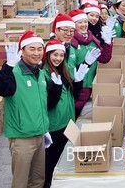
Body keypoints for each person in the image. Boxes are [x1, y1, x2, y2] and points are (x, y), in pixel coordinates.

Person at [0, 31, 49, 188]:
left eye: (39, 49)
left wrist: (45, 128)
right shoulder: (14, 72)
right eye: (31, 49)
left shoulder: (40, 73)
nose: (36, 53)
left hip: (39, 134)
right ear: (21, 51)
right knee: (21, 182)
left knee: (38, 180)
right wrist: (8, 66)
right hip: (22, 137)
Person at [43, 38, 82, 188]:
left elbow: (73, 96)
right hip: (54, 125)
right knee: (51, 161)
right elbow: (48, 104)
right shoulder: (44, 74)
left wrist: (78, 82)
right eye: (55, 55)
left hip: (67, 122)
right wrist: (56, 88)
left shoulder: (63, 71)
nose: (58, 58)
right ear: (48, 55)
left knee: (63, 159)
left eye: (61, 55)